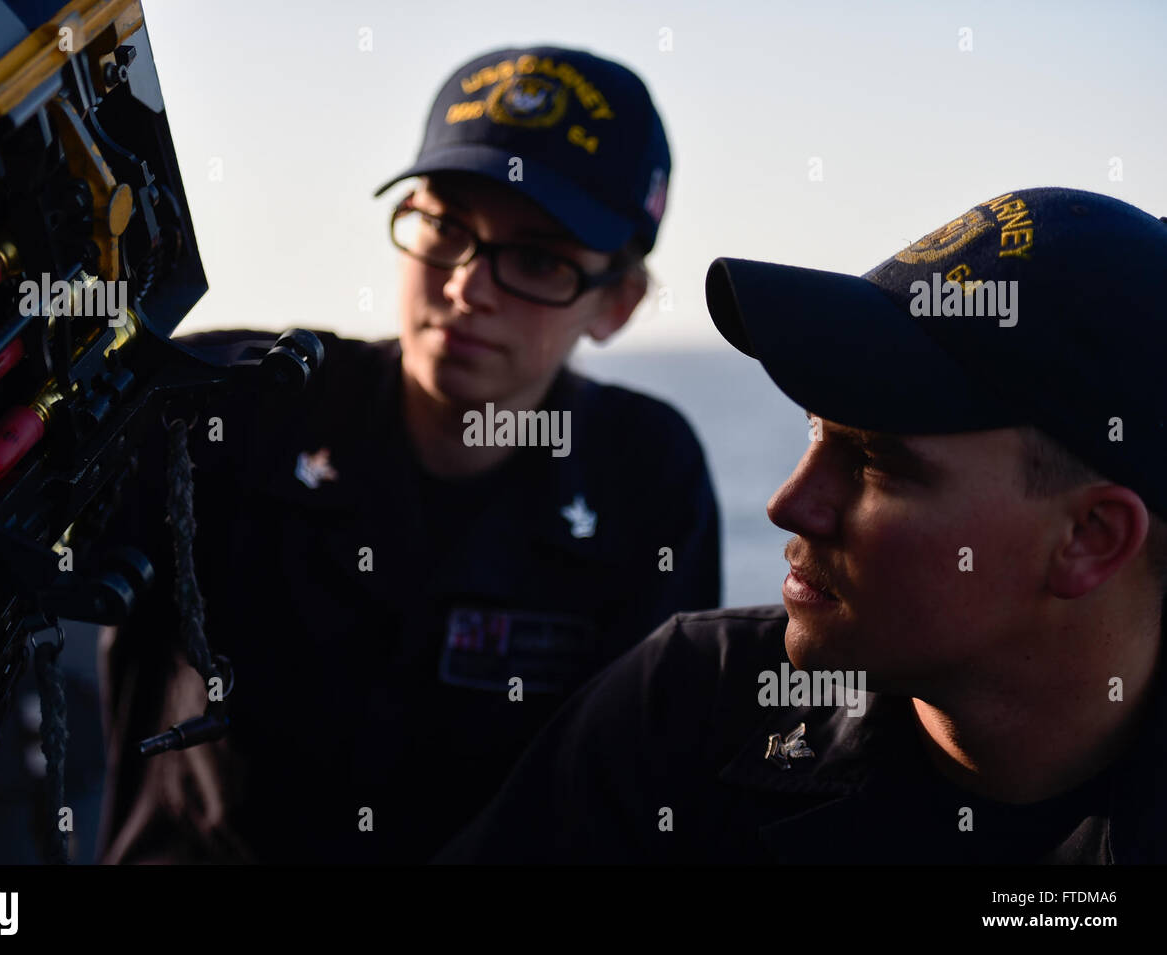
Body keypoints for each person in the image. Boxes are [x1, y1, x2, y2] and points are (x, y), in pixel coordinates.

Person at [98, 46, 720, 863]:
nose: (467, 286)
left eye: (536, 259)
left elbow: (635, 797)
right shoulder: (226, 407)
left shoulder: (645, 477)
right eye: (445, 226)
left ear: (619, 303)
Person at [437, 187, 1167, 864]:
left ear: (1089, 538)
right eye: (814, 431)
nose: (787, 502)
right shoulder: (686, 709)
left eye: (874, 461)